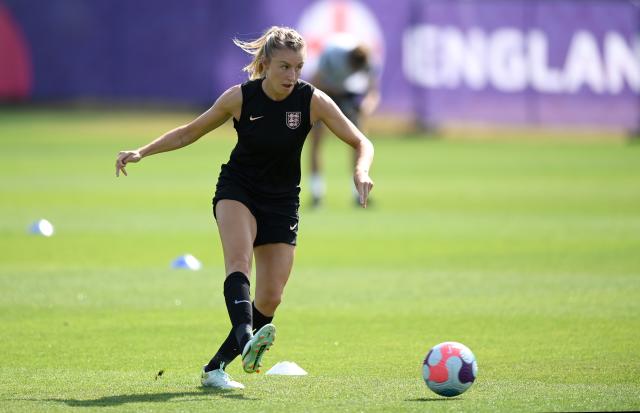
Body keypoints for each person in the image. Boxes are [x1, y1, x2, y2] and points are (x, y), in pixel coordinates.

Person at [115, 26, 374, 390]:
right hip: (239, 189)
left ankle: (214, 368)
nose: (292, 76)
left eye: (298, 67)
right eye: (284, 67)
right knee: (239, 263)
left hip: (282, 201)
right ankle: (247, 339)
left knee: (271, 297)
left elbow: (361, 140)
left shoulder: (311, 100)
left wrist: (361, 170)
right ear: (265, 64)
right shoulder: (240, 98)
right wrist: (142, 151)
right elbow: (190, 132)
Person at [309, 34, 380, 207]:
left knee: (359, 141)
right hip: (326, 92)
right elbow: (315, 82)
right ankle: (317, 193)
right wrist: (335, 93)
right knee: (316, 141)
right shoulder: (333, 54)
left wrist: (367, 105)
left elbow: (373, 92)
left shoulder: (369, 61)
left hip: (348, 95)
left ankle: (359, 194)